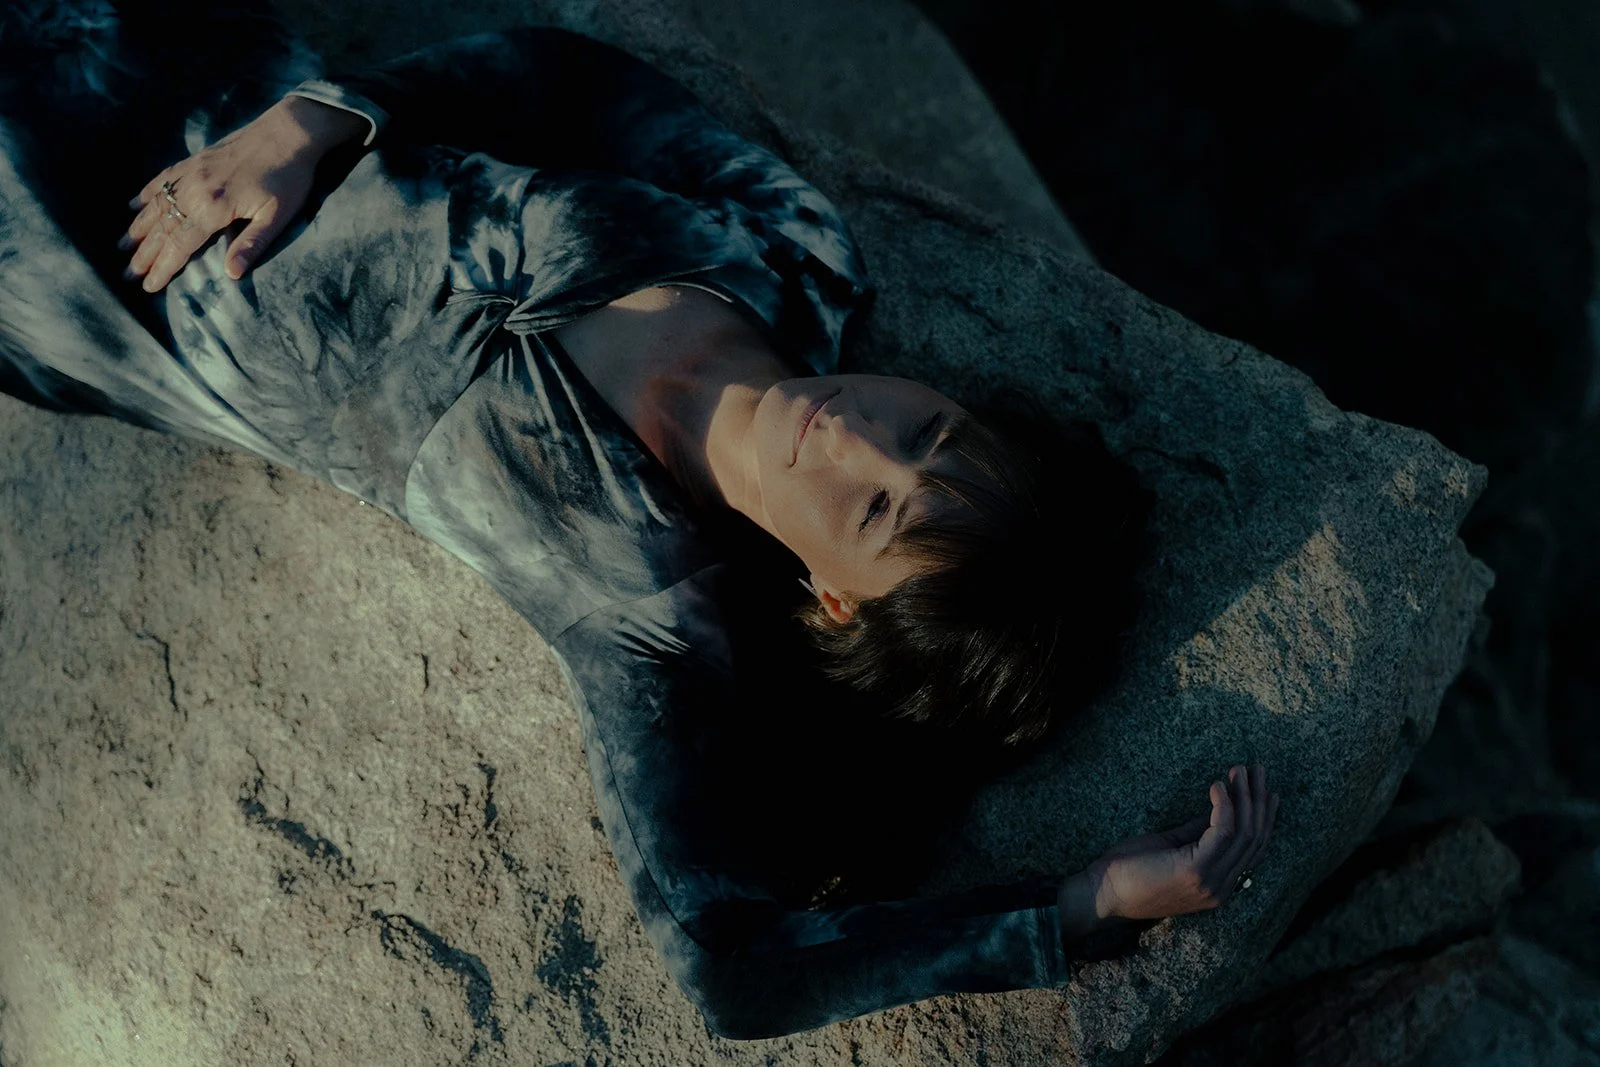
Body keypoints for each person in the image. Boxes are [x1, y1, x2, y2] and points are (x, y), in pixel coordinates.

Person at [0, 1, 1277, 1038]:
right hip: (186, 53)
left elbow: (735, 964)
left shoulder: (645, 608)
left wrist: (1073, 907)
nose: (854, 432)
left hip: (60, 257)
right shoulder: (796, 256)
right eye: (927, 428)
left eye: (877, 506)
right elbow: (561, 81)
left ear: (836, 601)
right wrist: (320, 120)